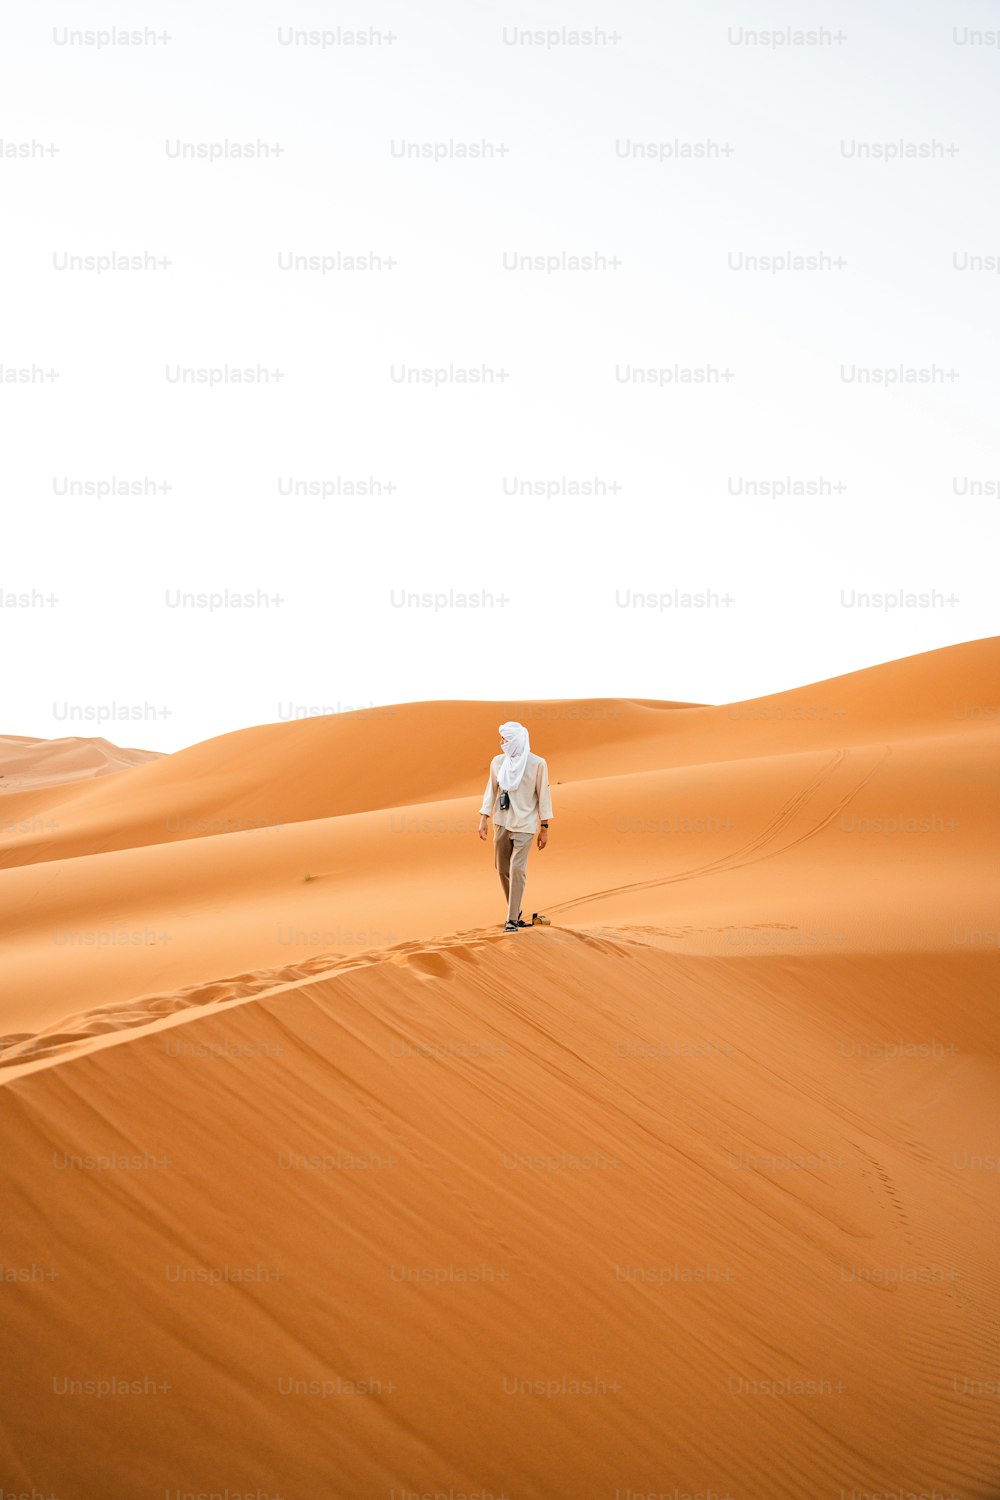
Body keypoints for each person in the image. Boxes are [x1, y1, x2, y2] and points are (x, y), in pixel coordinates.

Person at [478, 720, 552, 932]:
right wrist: (483, 817)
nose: (502, 742)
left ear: (517, 740)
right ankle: (516, 908)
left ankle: (511, 920)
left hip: (525, 825)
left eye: (506, 739)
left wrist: (544, 827)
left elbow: (544, 795)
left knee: (517, 869)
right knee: (501, 868)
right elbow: (491, 790)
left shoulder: (538, 763)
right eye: (501, 738)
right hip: (501, 822)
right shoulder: (498, 762)